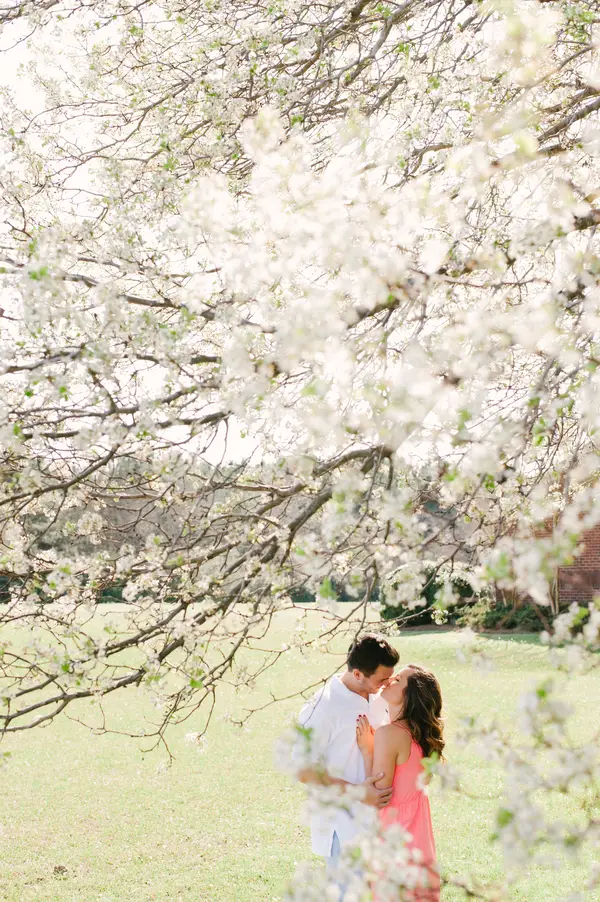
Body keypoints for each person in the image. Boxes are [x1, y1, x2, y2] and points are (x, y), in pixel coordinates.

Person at [295, 633, 400, 868]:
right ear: (357, 674)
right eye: (382, 679)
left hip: (380, 824)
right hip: (343, 828)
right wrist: (356, 791)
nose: (387, 684)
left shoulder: (378, 697)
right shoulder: (322, 707)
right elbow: (301, 770)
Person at [356, 664, 444, 902]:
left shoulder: (389, 733)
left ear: (410, 695)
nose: (388, 680)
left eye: (397, 680)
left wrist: (367, 751)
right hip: (419, 840)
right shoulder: (419, 736)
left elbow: (378, 795)